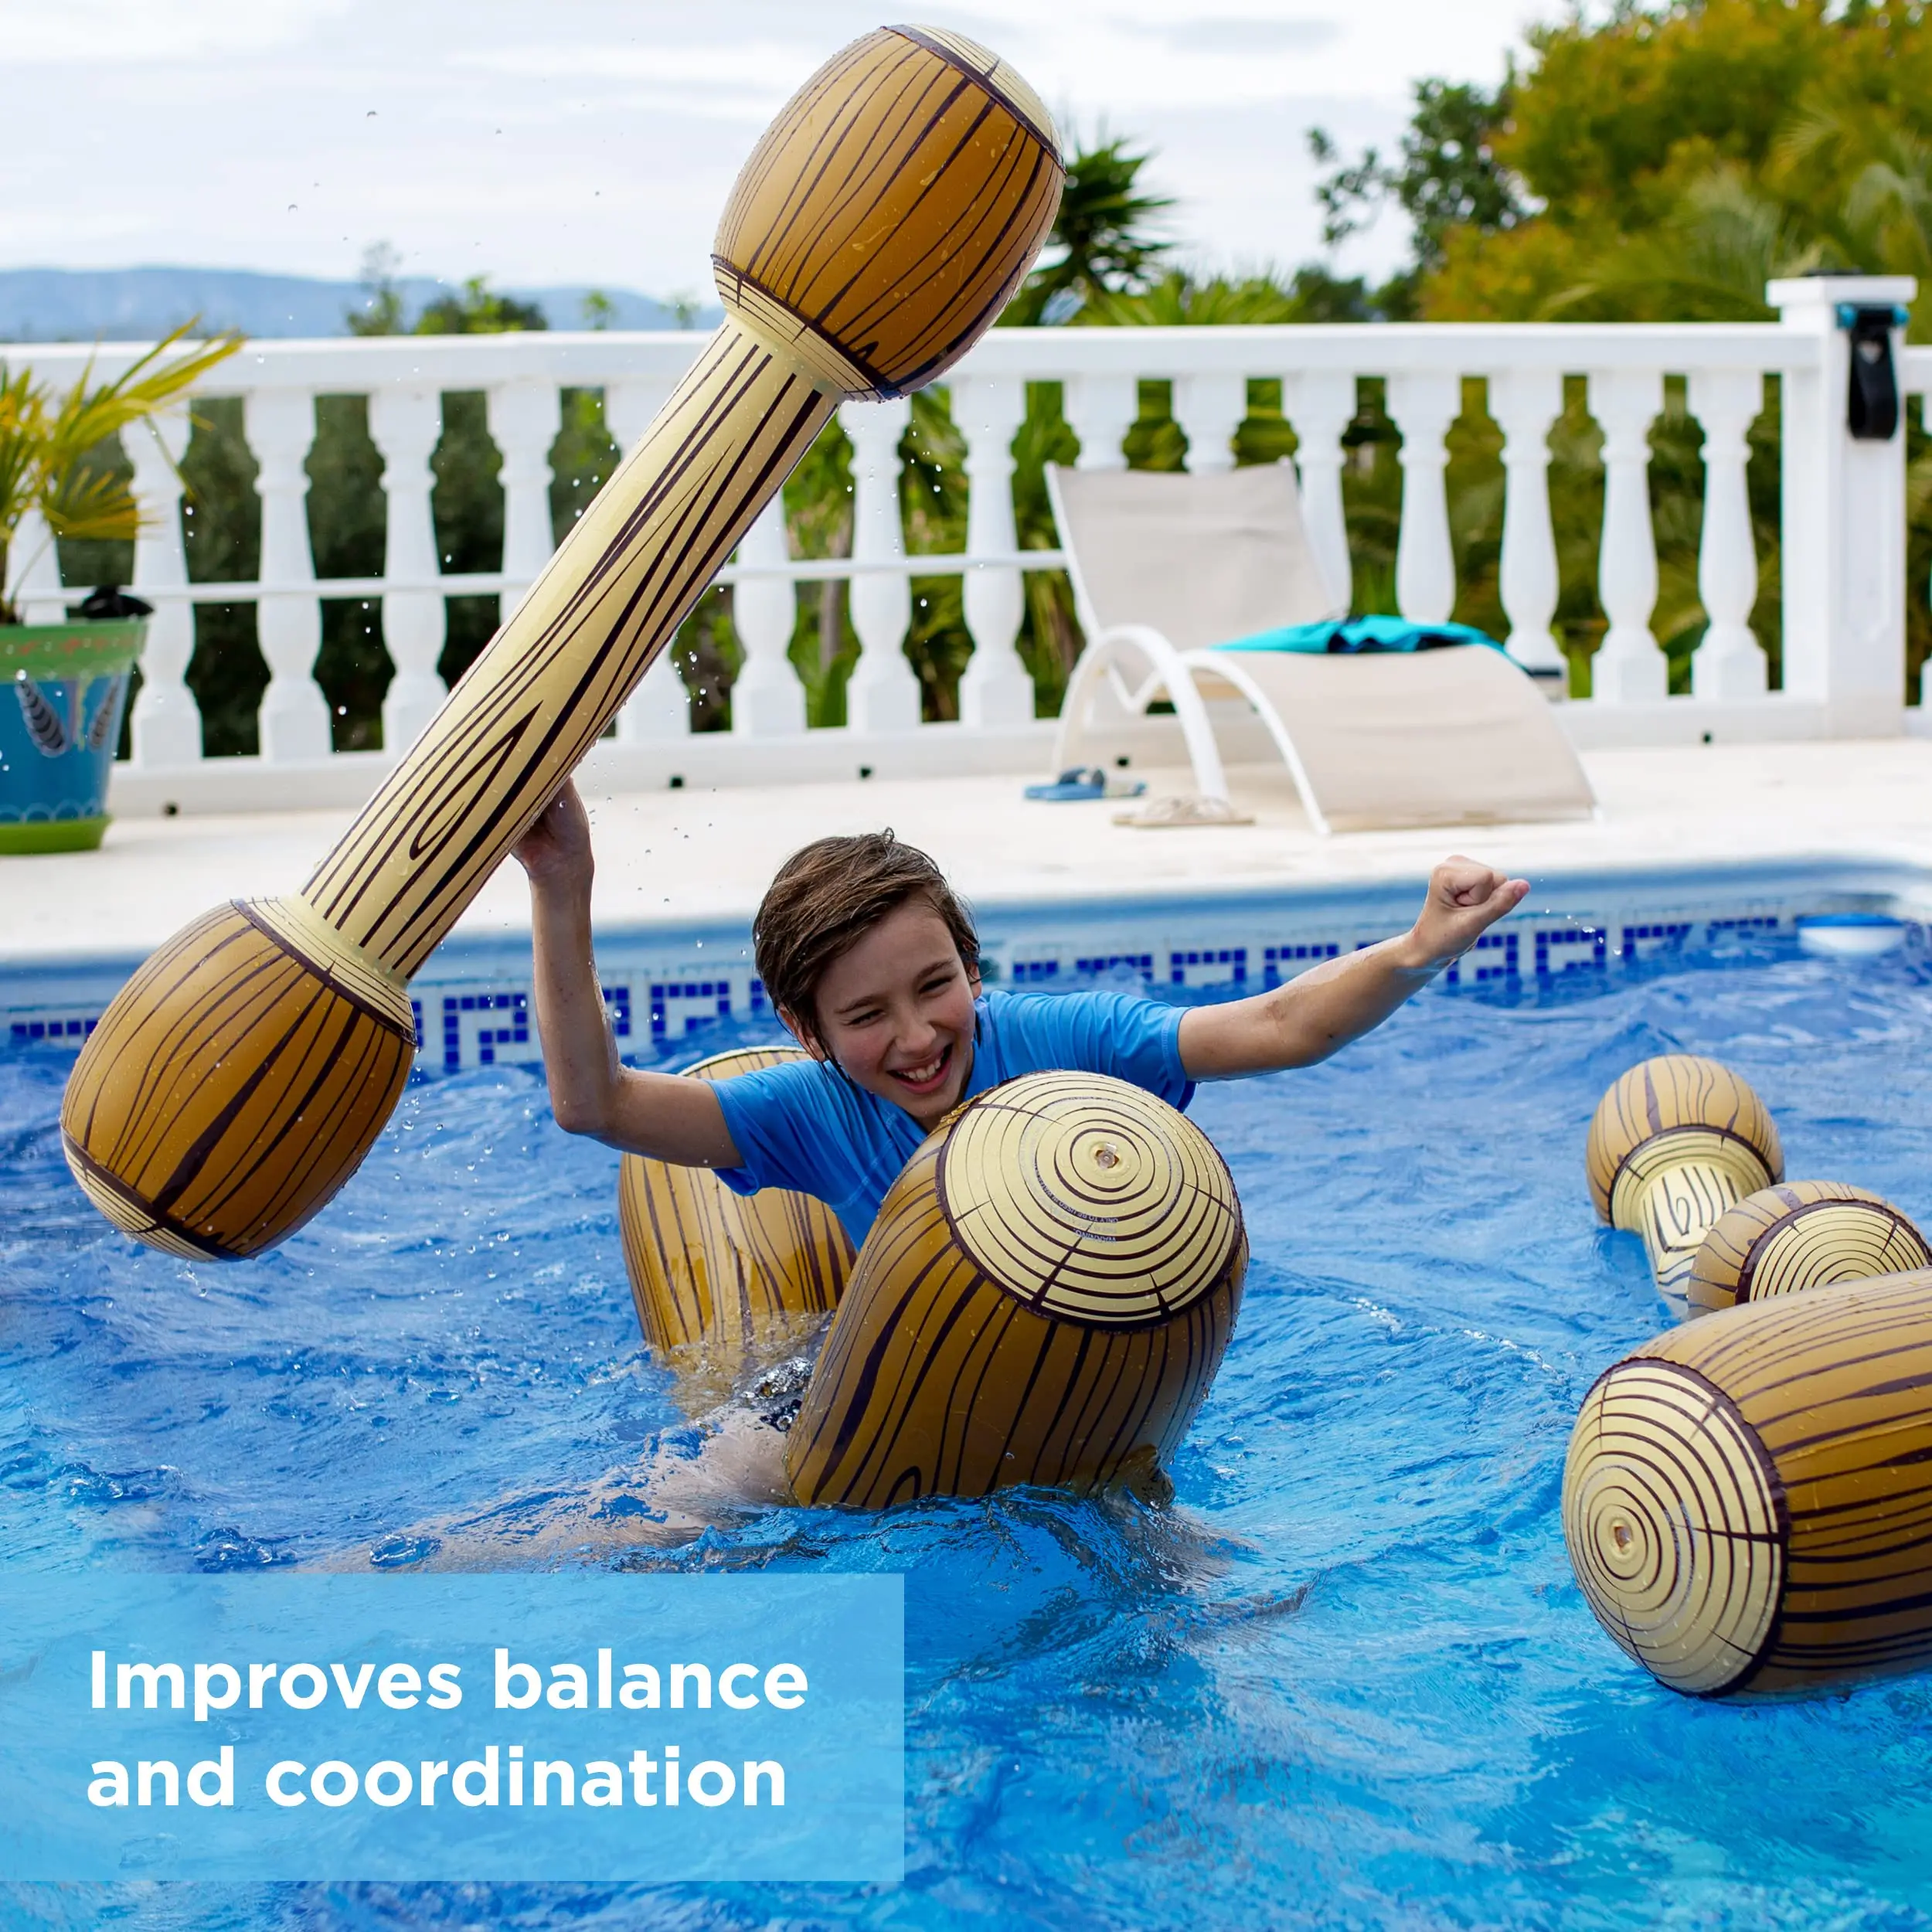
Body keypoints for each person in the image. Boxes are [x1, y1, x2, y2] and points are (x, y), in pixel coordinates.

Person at [515, 780, 1529, 1247]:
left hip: (1070, 1371)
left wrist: (1418, 947)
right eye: (866, 1015)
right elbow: (593, 1105)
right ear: (804, 1030)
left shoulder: (1062, 1045)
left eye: (935, 985)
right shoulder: (807, 1112)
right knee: (708, 1500)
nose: (917, 1038)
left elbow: (1279, 1028)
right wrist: (563, 886)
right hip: (893, 1383)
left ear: (972, 961)